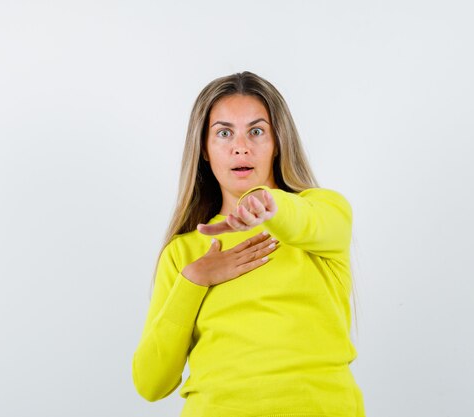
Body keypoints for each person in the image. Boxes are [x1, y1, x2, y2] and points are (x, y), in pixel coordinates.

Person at [132, 71, 365, 417]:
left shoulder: (324, 212)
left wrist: (266, 204)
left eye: (256, 131)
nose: (241, 146)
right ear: (205, 151)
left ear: (277, 144)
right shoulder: (182, 253)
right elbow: (151, 383)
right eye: (224, 133)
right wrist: (194, 280)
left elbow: (304, 218)